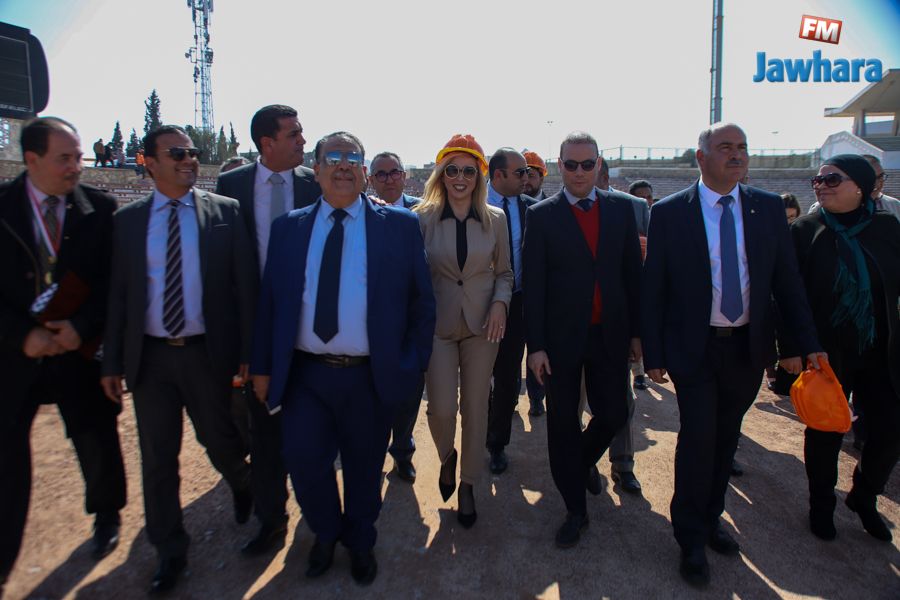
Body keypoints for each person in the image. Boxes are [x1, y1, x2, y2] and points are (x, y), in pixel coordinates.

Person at [641, 122, 823, 587]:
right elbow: (654, 287)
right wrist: (652, 353)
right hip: (695, 348)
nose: (737, 154)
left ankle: (711, 517)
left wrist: (805, 343)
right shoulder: (670, 212)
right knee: (698, 438)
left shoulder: (766, 207)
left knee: (726, 439)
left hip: (747, 347)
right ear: (701, 157)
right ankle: (689, 536)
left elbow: (787, 283)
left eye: (742, 147)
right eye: (726, 147)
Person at [251, 131, 434, 585]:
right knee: (304, 461)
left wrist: (411, 363)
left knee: (364, 468)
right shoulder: (289, 228)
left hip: (368, 376)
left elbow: (421, 302)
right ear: (315, 170)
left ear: (365, 172)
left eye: (353, 157)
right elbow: (269, 303)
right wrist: (262, 366)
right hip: (305, 376)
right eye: (332, 157)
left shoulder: (398, 226)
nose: (343, 165)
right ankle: (325, 532)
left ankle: (360, 540)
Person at [101, 125, 255, 594]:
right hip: (150, 360)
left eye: (192, 152)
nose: (189, 159)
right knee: (158, 458)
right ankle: (169, 550)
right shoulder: (128, 222)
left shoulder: (225, 213)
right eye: (177, 153)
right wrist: (111, 362)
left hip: (206, 354)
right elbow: (118, 296)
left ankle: (242, 482)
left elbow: (244, 289)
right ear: (148, 162)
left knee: (219, 438)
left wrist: (248, 352)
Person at [0, 117, 126, 589]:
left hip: (78, 351)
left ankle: (107, 514)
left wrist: (82, 326)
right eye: (64, 158)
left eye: (78, 156)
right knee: (6, 462)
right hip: (14, 359)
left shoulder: (99, 208)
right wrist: (21, 336)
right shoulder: (3, 208)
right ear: (31, 160)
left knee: (96, 438)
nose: (76, 166)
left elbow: (113, 283)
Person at [524, 131, 642, 548]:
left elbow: (633, 276)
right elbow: (534, 285)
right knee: (561, 423)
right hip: (560, 340)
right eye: (571, 165)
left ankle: (580, 463)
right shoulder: (540, 216)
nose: (579, 172)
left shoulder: (622, 210)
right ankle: (575, 509)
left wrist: (637, 332)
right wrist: (536, 345)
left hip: (610, 334)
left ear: (598, 165)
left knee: (614, 413)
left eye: (587, 164)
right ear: (559, 166)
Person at [215, 104, 322, 556]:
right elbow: (227, 269)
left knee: (313, 431)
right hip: (260, 331)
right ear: (267, 143)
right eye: (293, 134)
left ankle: (321, 523)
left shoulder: (314, 184)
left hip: (313, 328)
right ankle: (272, 520)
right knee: (263, 431)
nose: (302, 141)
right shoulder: (232, 187)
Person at [787, 154, 900, 543]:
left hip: (881, 350)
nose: (822, 186)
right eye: (818, 180)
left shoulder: (888, 228)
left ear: (861, 187)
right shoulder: (805, 230)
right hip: (826, 353)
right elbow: (788, 295)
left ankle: (864, 496)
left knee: (890, 429)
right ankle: (821, 505)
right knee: (825, 431)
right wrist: (794, 347)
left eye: (832, 179)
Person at [415, 134, 512, 528]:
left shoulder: (496, 219)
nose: (460, 178)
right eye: (452, 169)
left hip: (482, 326)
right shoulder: (420, 218)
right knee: (441, 408)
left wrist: (500, 303)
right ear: (441, 173)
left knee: (475, 406)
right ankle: (447, 456)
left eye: (468, 171)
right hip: (437, 326)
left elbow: (505, 273)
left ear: (479, 176)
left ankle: (469, 483)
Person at [367, 151, 425, 484]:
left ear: (404, 176)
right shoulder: (360, 213)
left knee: (409, 394)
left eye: (394, 172)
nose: (389, 179)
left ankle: (402, 451)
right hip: (372, 323)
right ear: (371, 179)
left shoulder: (425, 211)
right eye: (381, 174)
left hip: (413, 320)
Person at [595, 161, 648, 494]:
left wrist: (638, 331)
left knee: (622, 399)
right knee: (576, 401)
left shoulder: (634, 208)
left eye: (589, 167)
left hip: (617, 324)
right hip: (577, 327)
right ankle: (585, 458)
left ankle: (623, 464)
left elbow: (640, 275)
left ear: (603, 174)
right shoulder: (557, 211)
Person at [485, 147, 537, 475]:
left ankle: (496, 443)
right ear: (498, 175)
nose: (526, 178)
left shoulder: (533, 210)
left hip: (516, 305)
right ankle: (476, 431)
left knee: (507, 378)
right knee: (477, 379)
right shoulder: (471, 204)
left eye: (527, 171)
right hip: (476, 304)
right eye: (520, 173)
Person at [809, 154, 900, 222]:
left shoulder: (893, 210)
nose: (877, 183)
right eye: (818, 180)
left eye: (881, 177)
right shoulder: (812, 219)